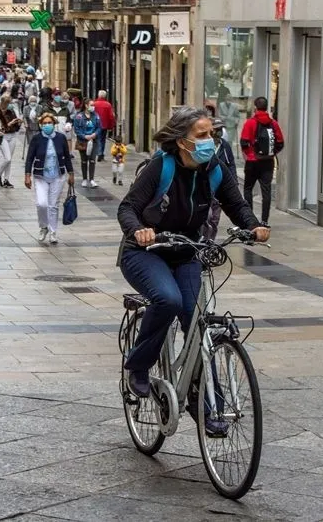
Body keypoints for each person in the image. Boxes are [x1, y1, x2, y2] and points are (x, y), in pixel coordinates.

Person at [117, 107, 270, 413]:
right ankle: (138, 366)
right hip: (146, 252)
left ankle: (205, 403)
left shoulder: (214, 169)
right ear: (181, 140)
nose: (209, 141)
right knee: (168, 299)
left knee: (197, 321)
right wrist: (139, 231)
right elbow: (127, 208)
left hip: (187, 251)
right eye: (201, 135)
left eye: (211, 134)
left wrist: (254, 226)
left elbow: (235, 204)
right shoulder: (161, 167)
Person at [24, 112, 75, 245]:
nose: (47, 125)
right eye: (44, 123)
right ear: (41, 125)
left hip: (58, 176)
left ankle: (53, 231)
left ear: (54, 124)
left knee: (53, 205)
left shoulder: (61, 138)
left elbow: (67, 156)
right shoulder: (36, 139)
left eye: (49, 123)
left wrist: (71, 173)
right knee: (41, 204)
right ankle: (43, 226)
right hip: (40, 176)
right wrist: (27, 175)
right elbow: (30, 158)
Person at [240, 97, 284, 225]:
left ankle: (250, 219)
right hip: (268, 162)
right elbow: (280, 142)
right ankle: (264, 220)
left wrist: (250, 154)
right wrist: (271, 153)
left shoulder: (250, 123)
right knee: (266, 191)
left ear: (255, 107)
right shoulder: (273, 123)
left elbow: (244, 142)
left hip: (253, 162)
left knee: (248, 189)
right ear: (266, 108)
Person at [203, 117, 237, 241]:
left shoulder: (224, 145)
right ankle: (203, 240)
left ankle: (211, 241)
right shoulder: (205, 145)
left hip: (219, 188)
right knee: (206, 216)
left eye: (220, 129)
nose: (218, 132)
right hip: (206, 187)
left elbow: (231, 163)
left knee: (215, 218)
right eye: (216, 129)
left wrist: (233, 181)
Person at [0, 94, 23, 189]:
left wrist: (19, 123)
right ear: (2, 102)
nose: (8, 105)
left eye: (9, 103)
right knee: (7, 158)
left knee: (9, 159)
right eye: (6, 103)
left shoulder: (10, 112)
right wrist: (10, 123)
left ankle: (6, 179)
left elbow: (16, 127)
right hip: (3, 136)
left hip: (12, 135)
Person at [73, 98, 102, 188]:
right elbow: (76, 129)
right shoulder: (79, 117)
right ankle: (85, 179)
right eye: (91, 105)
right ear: (86, 105)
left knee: (92, 160)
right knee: (84, 161)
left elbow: (99, 127)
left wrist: (94, 134)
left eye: (93, 105)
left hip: (94, 141)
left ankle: (92, 179)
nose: (93, 107)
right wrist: (84, 136)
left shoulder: (96, 116)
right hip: (83, 141)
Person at [93, 90, 116, 161]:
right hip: (104, 125)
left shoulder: (94, 104)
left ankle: (98, 153)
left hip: (95, 124)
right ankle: (101, 153)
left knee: (97, 139)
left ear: (98, 95)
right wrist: (111, 126)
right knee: (102, 139)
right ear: (105, 96)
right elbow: (111, 116)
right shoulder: (108, 104)